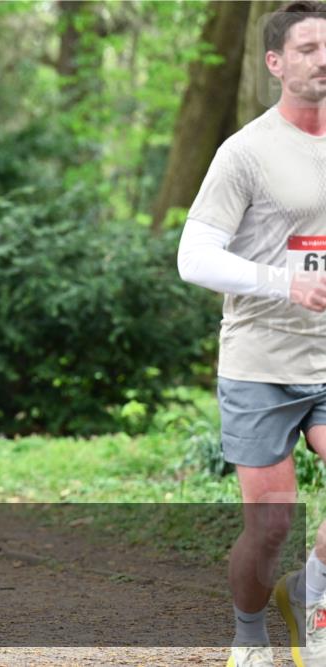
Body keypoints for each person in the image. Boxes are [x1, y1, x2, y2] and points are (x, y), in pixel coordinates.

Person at [177, 3, 326, 665]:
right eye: (308, 48)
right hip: (260, 359)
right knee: (271, 526)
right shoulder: (245, 152)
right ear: (275, 63)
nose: (324, 58)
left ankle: (313, 592)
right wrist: (283, 283)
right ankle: (249, 630)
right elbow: (194, 257)